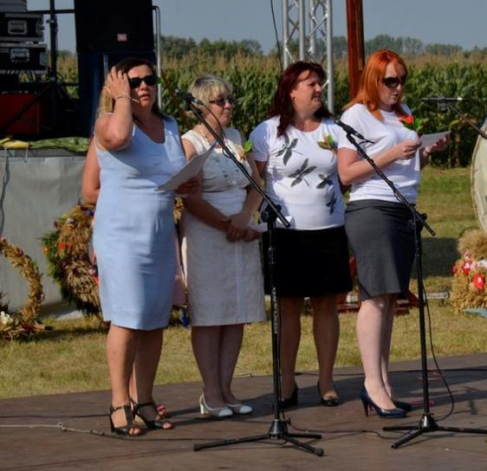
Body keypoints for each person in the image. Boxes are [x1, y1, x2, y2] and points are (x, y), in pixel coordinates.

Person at [337, 50, 447, 418]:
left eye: (402, 80)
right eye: (390, 81)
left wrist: (426, 152)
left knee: (389, 299)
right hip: (373, 208)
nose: (398, 88)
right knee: (375, 297)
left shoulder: (403, 113)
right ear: (373, 80)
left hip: (403, 206)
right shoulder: (356, 115)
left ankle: (383, 382)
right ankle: (371, 383)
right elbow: (347, 174)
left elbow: (407, 167)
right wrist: (393, 152)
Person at [93, 57, 197, 436]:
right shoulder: (108, 124)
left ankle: (145, 399)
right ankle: (119, 403)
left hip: (157, 234)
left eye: (148, 80)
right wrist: (119, 100)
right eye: (133, 82)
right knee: (127, 317)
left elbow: (171, 173)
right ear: (116, 87)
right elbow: (119, 139)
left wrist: (186, 183)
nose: (143, 87)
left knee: (154, 319)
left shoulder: (169, 126)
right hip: (121, 236)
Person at [249, 62, 352, 408]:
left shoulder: (334, 131)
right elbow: (252, 181)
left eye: (320, 83)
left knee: (326, 305)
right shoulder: (266, 133)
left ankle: (326, 381)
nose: (319, 88)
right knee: (288, 306)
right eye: (311, 83)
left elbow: (349, 174)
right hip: (286, 232)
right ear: (291, 90)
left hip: (329, 228)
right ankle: (287, 381)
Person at [180, 75, 265, 418]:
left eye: (230, 99)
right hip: (207, 235)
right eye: (220, 101)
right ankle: (210, 393)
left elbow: (256, 184)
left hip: (241, 232)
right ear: (199, 107)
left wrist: (246, 216)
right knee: (210, 315)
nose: (229, 105)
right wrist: (226, 224)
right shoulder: (189, 144)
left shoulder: (235, 138)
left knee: (235, 314)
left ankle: (227, 388)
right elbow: (190, 197)